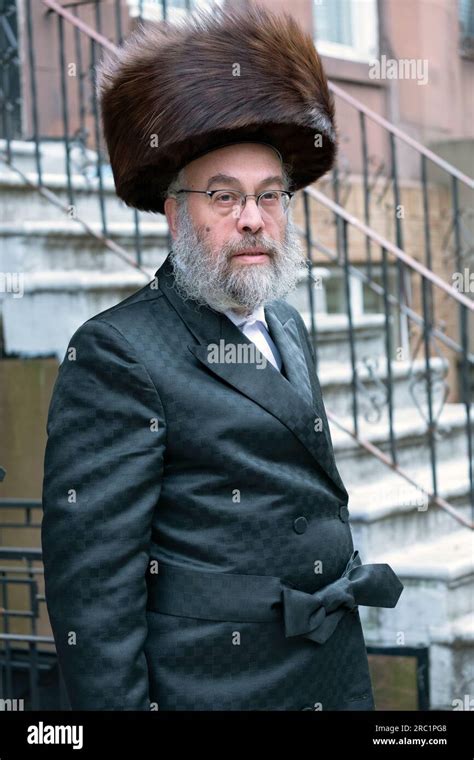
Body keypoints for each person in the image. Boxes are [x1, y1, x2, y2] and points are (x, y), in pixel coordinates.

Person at [41, 4, 403, 711]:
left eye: (271, 196)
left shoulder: (288, 323)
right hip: (218, 685)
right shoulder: (117, 352)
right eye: (224, 196)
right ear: (177, 214)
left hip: (325, 669)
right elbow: (95, 595)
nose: (252, 218)